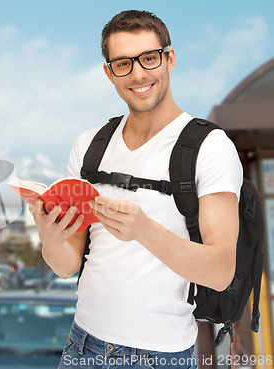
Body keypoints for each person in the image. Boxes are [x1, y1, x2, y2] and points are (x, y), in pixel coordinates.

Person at [30, 10, 242, 369]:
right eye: (123, 63)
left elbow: (221, 272)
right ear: (109, 72)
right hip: (82, 344)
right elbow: (66, 266)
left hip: (160, 355)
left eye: (149, 58)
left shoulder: (210, 146)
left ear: (169, 59)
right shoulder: (88, 146)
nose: (139, 74)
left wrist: (144, 231)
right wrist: (50, 238)